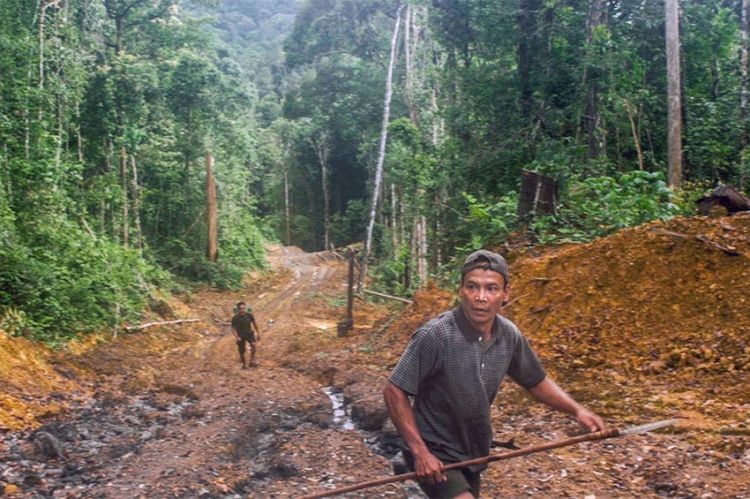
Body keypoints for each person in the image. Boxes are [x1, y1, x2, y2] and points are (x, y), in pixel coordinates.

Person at [383, 249, 606, 499]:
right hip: (434, 450)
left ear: (505, 294)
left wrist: (577, 410)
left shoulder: (508, 335)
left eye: (491, 288)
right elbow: (395, 390)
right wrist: (420, 452)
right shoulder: (436, 335)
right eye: (473, 287)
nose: (481, 297)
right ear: (461, 290)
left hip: (473, 452)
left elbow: (535, 380)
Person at [231, 301, 261, 368]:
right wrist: (237, 337)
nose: (243, 310)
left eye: (244, 308)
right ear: (238, 309)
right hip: (240, 335)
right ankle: (244, 364)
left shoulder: (249, 315)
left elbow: (255, 324)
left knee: (253, 345)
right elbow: (233, 329)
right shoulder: (235, 318)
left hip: (249, 333)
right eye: (241, 309)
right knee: (242, 351)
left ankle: (252, 361)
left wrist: (258, 333)